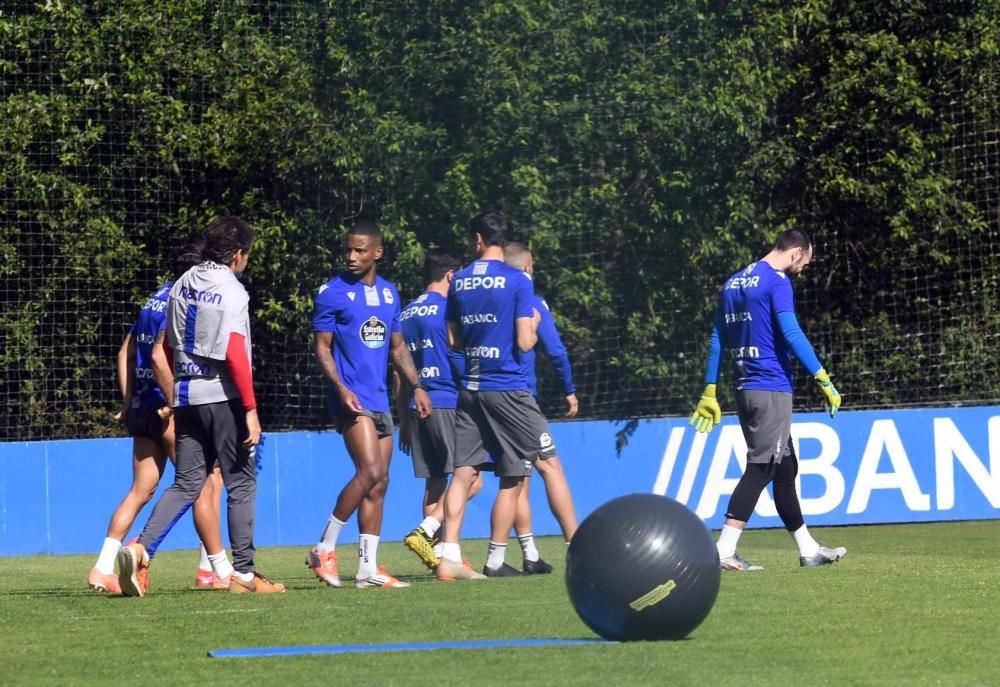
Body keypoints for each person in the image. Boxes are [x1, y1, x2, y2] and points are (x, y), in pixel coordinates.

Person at [116, 216, 284, 595]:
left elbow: (166, 347)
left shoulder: (182, 283)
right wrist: (251, 409)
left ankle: (140, 549)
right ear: (239, 254)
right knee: (241, 481)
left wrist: (179, 390)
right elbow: (236, 354)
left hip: (186, 396)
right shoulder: (233, 291)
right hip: (222, 395)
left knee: (187, 481)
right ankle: (243, 574)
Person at [689, 228, 846, 571]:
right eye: (805, 262)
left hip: (744, 387)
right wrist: (823, 378)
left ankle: (808, 550)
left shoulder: (732, 283)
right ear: (795, 254)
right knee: (761, 468)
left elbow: (717, 339)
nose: (803, 268)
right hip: (771, 387)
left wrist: (709, 389)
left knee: (785, 466)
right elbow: (791, 333)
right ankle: (724, 550)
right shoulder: (776, 282)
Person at [87, 240, 228, 594]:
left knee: (141, 489)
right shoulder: (184, 302)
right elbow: (160, 357)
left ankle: (102, 567)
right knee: (205, 485)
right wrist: (175, 401)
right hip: (168, 410)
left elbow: (126, 349)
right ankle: (215, 570)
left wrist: (129, 397)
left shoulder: (155, 298)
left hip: (143, 408)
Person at [308, 219, 431, 589]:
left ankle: (367, 569)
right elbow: (322, 348)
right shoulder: (332, 292)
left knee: (380, 483)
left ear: (377, 252)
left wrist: (417, 386)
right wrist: (340, 387)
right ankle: (324, 547)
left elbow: (397, 347)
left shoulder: (391, 294)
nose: (351, 256)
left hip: (380, 400)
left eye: (359, 250)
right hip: (351, 399)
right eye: (348, 249)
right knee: (370, 471)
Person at [435, 211, 551, 581]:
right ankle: (498, 559)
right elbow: (524, 342)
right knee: (524, 471)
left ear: (478, 239)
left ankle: (449, 554)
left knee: (463, 471)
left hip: (470, 387)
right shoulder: (519, 281)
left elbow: (453, 339)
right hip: (508, 387)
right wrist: (532, 326)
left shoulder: (461, 280)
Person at [394, 252, 483, 571]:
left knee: (435, 483)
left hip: (416, 407)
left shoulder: (405, 314)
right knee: (471, 480)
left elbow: (398, 372)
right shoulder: (448, 308)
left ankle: (439, 559)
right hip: (446, 401)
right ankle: (429, 534)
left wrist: (403, 420)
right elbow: (460, 353)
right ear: (450, 275)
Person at [501, 241, 579, 574]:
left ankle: (530, 554)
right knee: (552, 468)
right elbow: (556, 351)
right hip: (521, 398)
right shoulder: (531, 302)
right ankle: (578, 547)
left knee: (519, 477)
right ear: (530, 266)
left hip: (486, 395)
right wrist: (569, 390)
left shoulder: (491, 301)